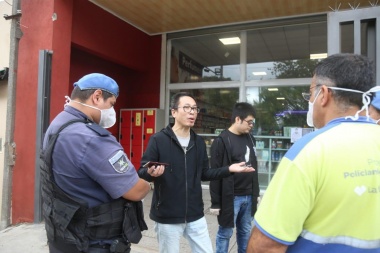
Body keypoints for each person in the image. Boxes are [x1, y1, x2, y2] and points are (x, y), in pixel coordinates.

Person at [247, 53, 380, 253]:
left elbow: (266, 246)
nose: (310, 100)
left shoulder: (310, 150)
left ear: (324, 94)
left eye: (311, 93)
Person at [41, 73, 151, 253]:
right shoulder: (91, 138)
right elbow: (135, 191)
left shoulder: (58, 123)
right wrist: (148, 183)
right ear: (97, 96)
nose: (112, 111)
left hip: (64, 237)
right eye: (112, 104)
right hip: (94, 243)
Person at [137, 92, 255, 253]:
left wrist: (229, 169)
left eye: (194, 108)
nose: (192, 112)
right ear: (174, 112)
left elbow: (205, 174)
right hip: (167, 215)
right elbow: (142, 171)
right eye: (186, 108)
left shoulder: (198, 142)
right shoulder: (159, 140)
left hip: (195, 214)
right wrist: (151, 173)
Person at [209, 102, 259, 253]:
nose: (251, 126)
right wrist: (216, 203)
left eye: (253, 122)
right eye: (249, 122)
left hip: (248, 196)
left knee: (245, 232)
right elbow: (215, 174)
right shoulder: (222, 141)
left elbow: (254, 168)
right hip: (230, 196)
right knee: (225, 233)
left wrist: (255, 194)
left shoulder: (250, 139)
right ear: (238, 119)